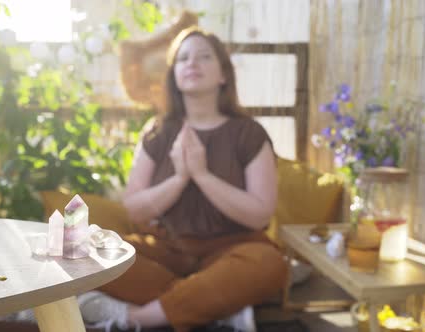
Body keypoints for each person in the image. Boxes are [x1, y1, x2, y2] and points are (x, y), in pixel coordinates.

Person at [78, 26, 287, 332]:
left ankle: (135, 317)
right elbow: (135, 209)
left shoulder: (249, 133)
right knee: (85, 250)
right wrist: (179, 178)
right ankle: (212, 307)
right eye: (183, 58)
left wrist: (202, 175)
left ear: (223, 75)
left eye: (204, 57)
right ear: (174, 74)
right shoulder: (158, 131)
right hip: (166, 252)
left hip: (233, 251)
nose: (192, 64)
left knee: (270, 264)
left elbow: (260, 215)